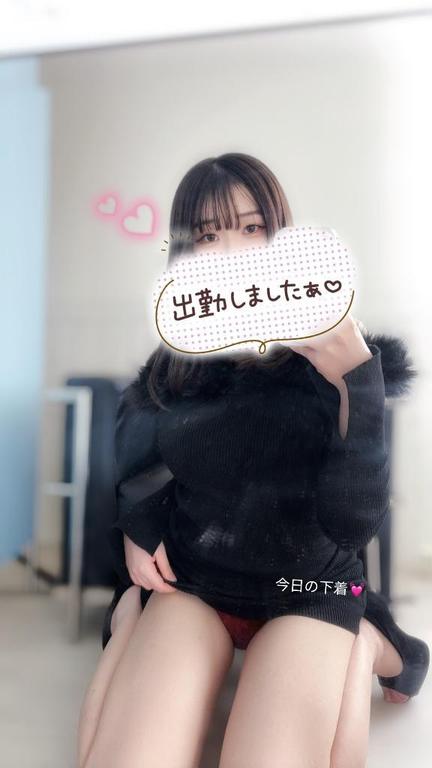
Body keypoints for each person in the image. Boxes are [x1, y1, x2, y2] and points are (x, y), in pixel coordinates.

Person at [78, 153, 429, 768]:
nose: (232, 251)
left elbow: (353, 525)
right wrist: (139, 528)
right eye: (209, 235)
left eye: (251, 227)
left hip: (308, 587)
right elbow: (140, 456)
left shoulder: (331, 347)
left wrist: (357, 384)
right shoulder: (176, 360)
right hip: (197, 581)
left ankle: (379, 640)